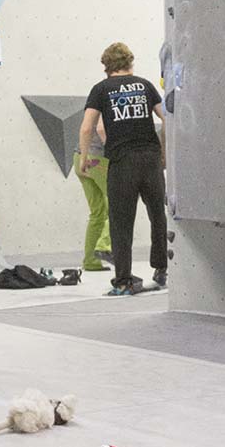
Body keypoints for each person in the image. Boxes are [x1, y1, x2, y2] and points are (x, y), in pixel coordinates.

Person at [79, 42, 167, 296]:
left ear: (106, 66)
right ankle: (161, 269)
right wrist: (163, 152)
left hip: (122, 161)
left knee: (121, 221)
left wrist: (85, 157)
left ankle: (124, 280)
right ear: (130, 62)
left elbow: (88, 127)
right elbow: (165, 117)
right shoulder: (146, 85)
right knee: (157, 216)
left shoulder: (100, 89)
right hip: (150, 159)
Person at [73, 115, 113, 271]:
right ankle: (104, 245)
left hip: (79, 157)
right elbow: (101, 128)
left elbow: (85, 129)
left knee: (98, 212)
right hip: (96, 159)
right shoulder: (108, 99)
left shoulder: (94, 102)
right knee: (119, 204)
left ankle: (91, 261)